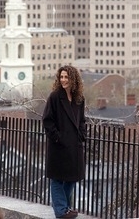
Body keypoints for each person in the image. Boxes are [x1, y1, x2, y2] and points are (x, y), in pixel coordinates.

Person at [42, 65, 87, 219]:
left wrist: (81, 135)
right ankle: (61, 211)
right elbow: (47, 120)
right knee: (57, 179)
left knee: (72, 178)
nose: (63, 80)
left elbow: (82, 120)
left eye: (66, 77)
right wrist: (57, 138)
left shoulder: (79, 99)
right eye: (61, 77)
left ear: (73, 79)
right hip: (59, 146)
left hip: (74, 146)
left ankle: (65, 208)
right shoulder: (54, 97)